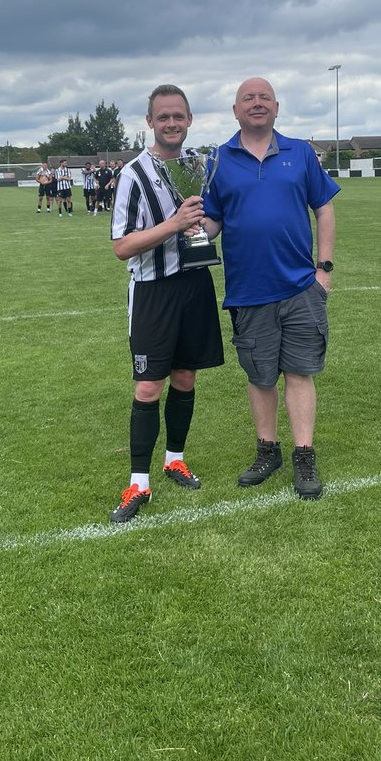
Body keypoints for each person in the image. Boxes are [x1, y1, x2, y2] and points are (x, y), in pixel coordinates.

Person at [202, 77, 339, 500]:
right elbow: (211, 223)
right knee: (260, 376)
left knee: (300, 372)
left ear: (276, 108)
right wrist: (188, 223)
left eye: (264, 97)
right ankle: (268, 451)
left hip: (301, 287)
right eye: (248, 98)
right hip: (248, 290)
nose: (257, 103)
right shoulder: (218, 160)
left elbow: (325, 209)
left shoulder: (299, 152)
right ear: (235, 110)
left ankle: (303, 454)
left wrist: (324, 270)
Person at [108, 84, 224, 524]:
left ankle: (175, 459)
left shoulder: (198, 168)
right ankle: (139, 483)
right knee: (147, 386)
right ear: (150, 122)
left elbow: (206, 228)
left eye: (179, 116)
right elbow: (121, 246)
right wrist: (172, 224)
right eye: (164, 117)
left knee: (186, 377)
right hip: (153, 290)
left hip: (194, 285)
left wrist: (212, 220)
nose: (172, 123)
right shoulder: (134, 173)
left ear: (190, 120)